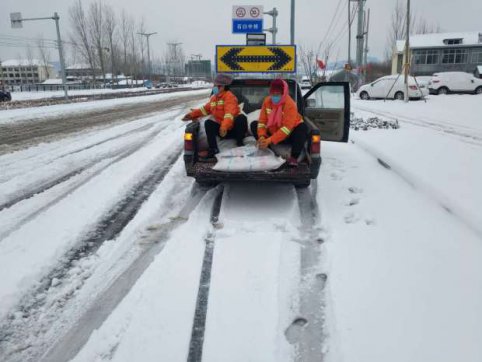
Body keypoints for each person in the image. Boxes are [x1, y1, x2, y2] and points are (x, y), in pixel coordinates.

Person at [182, 74, 247, 160]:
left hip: (233, 129)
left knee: (241, 118)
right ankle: (213, 150)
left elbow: (229, 113)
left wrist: (224, 127)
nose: (215, 88)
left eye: (217, 86)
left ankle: (240, 143)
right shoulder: (214, 98)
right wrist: (192, 114)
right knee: (208, 123)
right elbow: (204, 110)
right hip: (222, 131)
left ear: (224, 87)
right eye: (215, 85)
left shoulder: (229, 97)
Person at [250, 79, 308, 167]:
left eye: (277, 94)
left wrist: (269, 140)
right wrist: (262, 137)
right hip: (273, 132)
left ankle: (294, 158)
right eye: (273, 94)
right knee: (254, 124)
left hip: (289, 135)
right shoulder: (267, 101)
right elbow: (262, 122)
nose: (274, 96)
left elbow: (286, 129)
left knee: (303, 127)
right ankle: (268, 151)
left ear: (283, 93)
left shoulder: (290, 104)